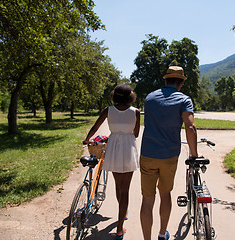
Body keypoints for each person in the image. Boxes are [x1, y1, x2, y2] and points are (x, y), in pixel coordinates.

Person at [140, 66, 200, 240]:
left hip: (148, 154)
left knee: (147, 199)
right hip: (169, 156)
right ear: (181, 83)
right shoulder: (184, 100)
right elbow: (190, 127)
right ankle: (161, 234)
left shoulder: (150, 98)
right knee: (165, 194)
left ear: (165, 80)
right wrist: (194, 154)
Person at [83, 84, 140, 240]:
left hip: (113, 145)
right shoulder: (135, 112)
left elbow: (96, 126)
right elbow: (136, 134)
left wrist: (87, 139)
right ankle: (120, 227)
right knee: (126, 189)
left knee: (118, 185)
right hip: (128, 147)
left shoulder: (108, 110)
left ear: (115, 95)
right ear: (130, 96)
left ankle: (122, 213)